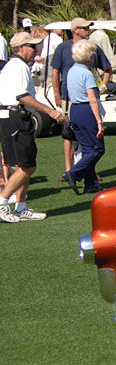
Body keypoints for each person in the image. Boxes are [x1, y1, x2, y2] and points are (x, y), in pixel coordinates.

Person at [0, 32, 66, 223]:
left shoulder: (17, 66)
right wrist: (50, 111)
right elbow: (22, 96)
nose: (35, 49)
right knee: (27, 166)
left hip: (15, 116)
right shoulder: (18, 66)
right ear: (21, 47)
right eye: (31, 45)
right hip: (15, 117)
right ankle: (3, 203)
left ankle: (20, 207)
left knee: (24, 164)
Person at [52, 17, 111, 173]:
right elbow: (55, 71)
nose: (88, 30)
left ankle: (88, 170)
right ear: (75, 29)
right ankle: (69, 169)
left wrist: (101, 88)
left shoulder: (94, 48)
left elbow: (107, 69)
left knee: (89, 137)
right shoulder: (63, 48)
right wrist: (57, 94)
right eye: (84, 28)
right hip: (68, 97)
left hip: (88, 97)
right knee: (68, 134)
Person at [60, 40, 107, 193]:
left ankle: (91, 184)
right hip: (86, 110)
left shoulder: (71, 70)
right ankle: (73, 173)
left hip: (75, 110)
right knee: (97, 148)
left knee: (87, 148)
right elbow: (92, 98)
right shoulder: (87, 73)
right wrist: (99, 122)